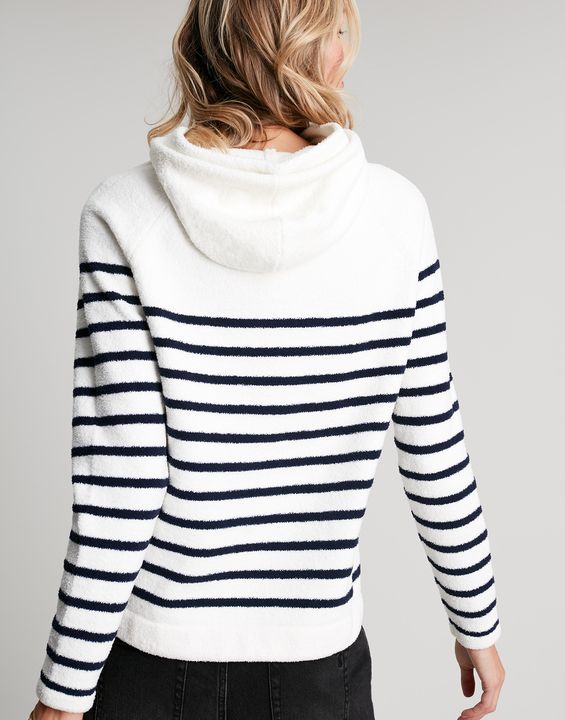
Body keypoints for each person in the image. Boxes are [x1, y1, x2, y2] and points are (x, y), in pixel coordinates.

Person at [28, 1, 505, 718]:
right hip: (321, 669)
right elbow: (432, 443)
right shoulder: (396, 214)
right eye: (338, 29)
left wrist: (63, 692)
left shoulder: (124, 213)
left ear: (205, 42)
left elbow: (123, 480)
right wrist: (477, 621)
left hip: (157, 664)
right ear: (319, 51)